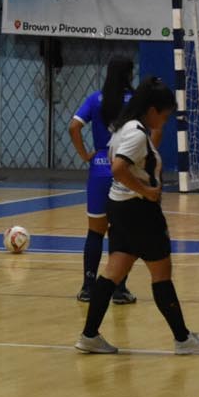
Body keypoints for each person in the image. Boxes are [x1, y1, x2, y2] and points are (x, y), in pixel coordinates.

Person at [76, 77, 199, 355]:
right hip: (139, 210)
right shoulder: (136, 134)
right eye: (164, 115)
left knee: (113, 272)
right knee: (161, 274)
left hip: (122, 208)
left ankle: (89, 334)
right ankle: (183, 339)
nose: (165, 120)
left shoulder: (126, 128)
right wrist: (146, 191)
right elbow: (118, 168)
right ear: (152, 109)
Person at [68, 55, 136, 305]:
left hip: (98, 170)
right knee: (122, 233)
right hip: (123, 170)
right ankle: (118, 289)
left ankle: (88, 287)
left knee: (95, 232)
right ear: (129, 74)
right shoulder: (134, 101)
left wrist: (86, 154)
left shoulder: (95, 98)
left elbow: (73, 127)